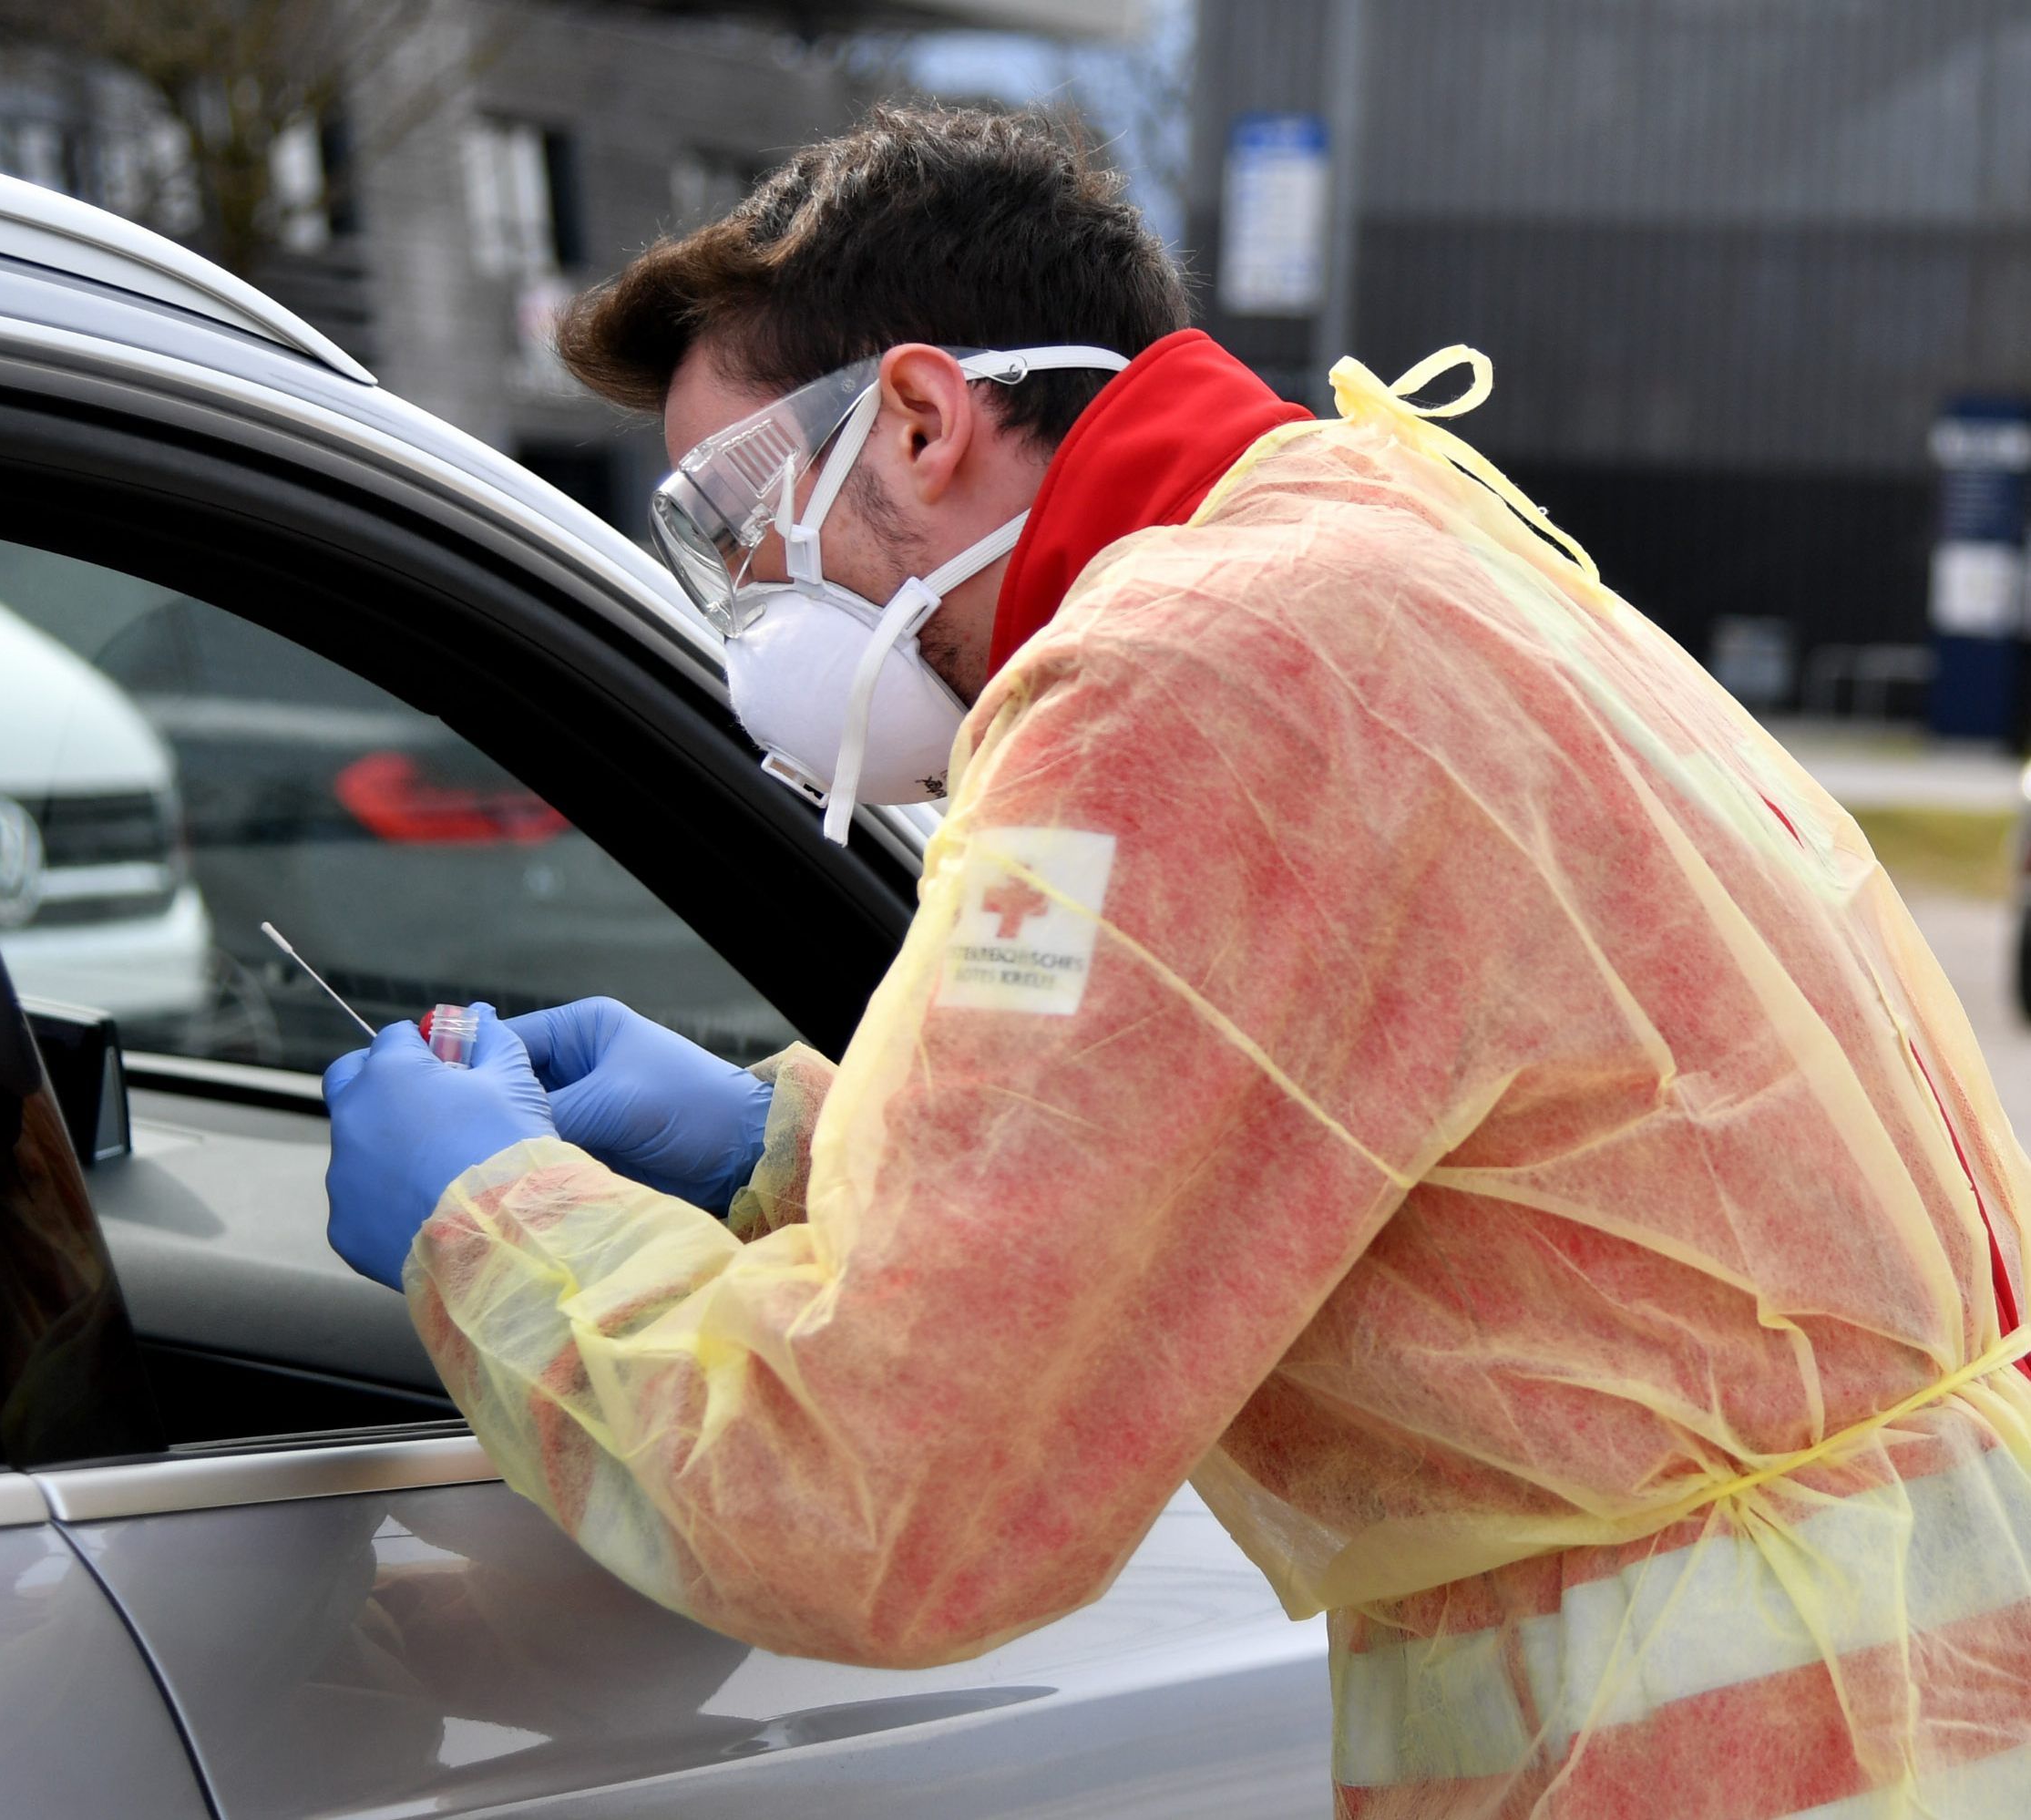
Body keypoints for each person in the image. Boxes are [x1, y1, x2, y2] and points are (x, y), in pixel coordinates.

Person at [322, 104, 2031, 1817]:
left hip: (1738, 1742)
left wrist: (490, 1226)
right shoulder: (1354, 546)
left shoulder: (1180, 680)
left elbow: (890, 1493)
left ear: (918, 421)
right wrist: (790, 1146)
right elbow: (1294, 1128)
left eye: (728, 523)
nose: (739, 598)